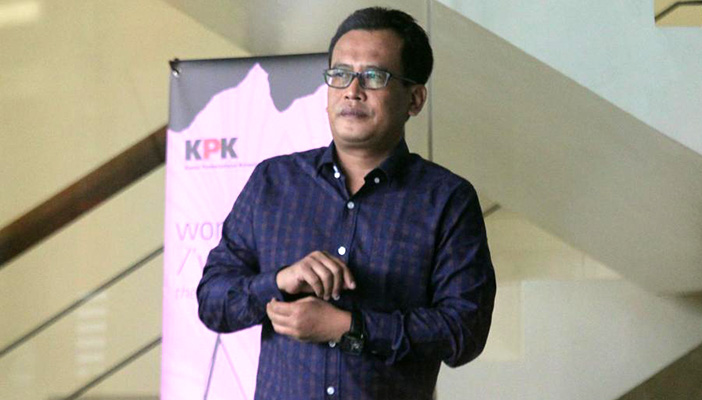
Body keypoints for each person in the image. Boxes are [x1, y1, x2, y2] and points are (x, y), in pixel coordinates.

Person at [197, 7, 496, 400]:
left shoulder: (446, 199)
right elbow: (212, 302)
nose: (352, 90)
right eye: (340, 74)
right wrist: (279, 281)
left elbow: (464, 332)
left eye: (374, 76)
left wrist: (349, 327)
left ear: (414, 99)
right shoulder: (273, 182)